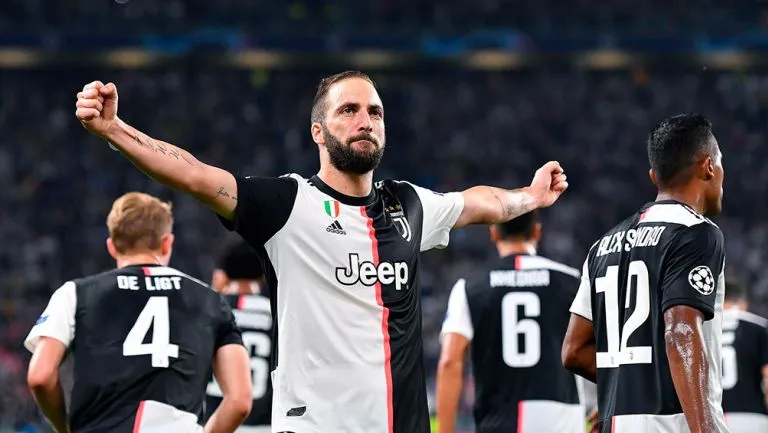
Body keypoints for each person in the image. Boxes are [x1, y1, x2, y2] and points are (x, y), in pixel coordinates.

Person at [74, 71, 568, 433]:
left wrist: (531, 195)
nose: (365, 121)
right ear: (318, 131)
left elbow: (481, 202)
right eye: (348, 110)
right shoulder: (287, 204)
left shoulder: (410, 204)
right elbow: (195, 174)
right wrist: (117, 132)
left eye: (374, 111)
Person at [25, 192, 253, 433]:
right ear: (167, 242)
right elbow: (239, 400)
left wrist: (64, 428)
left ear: (112, 246)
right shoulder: (212, 300)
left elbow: (40, 376)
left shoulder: (75, 293)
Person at [562, 113, 729, 433]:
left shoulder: (601, 246)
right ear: (709, 167)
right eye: (721, 164)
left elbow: (573, 351)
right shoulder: (697, 233)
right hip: (672, 423)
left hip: (614, 423)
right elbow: (681, 331)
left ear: (655, 176)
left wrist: (633, 380)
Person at [436, 210, 591, 433]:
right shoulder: (571, 281)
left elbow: (450, 361)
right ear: (537, 232)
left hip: (498, 421)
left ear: (494, 233)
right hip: (560, 421)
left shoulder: (470, 288)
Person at [205, 241, 273, 433]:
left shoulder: (208, 311)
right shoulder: (277, 314)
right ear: (262, 275)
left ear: (224, 273)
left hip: (214, 422)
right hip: (264, 424)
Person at [720, 279, 768, 433]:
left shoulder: (702, 329)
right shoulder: (759, 327)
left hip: (710, 417)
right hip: (752, 417)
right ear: (743, 303)